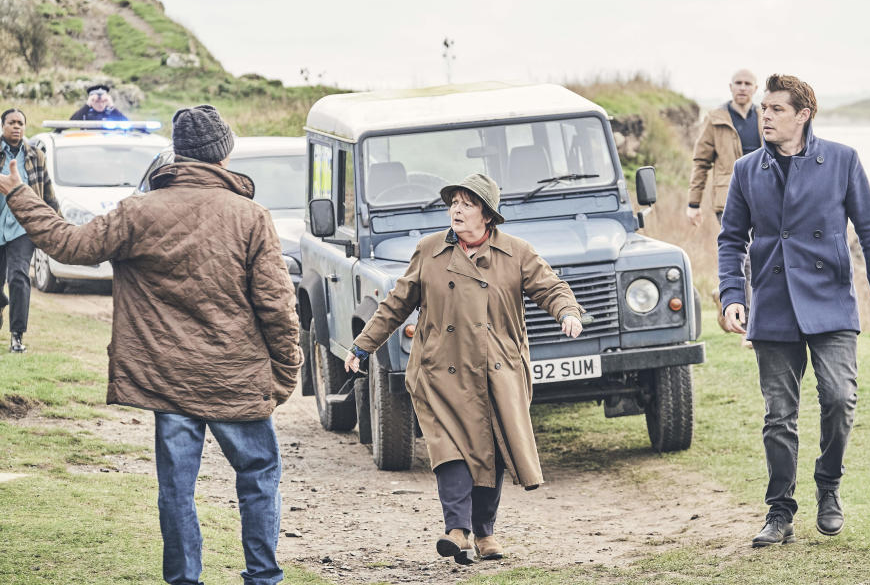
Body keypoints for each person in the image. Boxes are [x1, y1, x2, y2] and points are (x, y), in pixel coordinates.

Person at [0, 104, 302, 585]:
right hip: (235, 378)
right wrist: (286, 373)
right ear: (223, 153)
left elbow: (70, 245)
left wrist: (18, 192)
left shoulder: (137, 212)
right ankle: (263, 577)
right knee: (259, 477)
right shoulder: (251, 217)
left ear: (179, 154)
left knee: (176, 490)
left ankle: (185, 579)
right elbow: (277, 307)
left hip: (167, 379)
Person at [344, 173, 583, 564]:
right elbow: (395, 304)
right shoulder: (430, 250)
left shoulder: (517, 252)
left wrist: (567, 312)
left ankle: (485, 533)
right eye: (453, 202)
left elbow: (552, 287)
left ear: (487, 215)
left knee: (491, 451)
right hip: (438, 371)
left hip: (497, 370)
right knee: (448, 449)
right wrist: (362, 346)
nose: (456, 209)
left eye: (467, 203)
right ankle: (457, 530)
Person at [717, 75, 870, 548]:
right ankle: (779, 511)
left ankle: (829, 485)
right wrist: (733, 296)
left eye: (777, 109)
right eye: (763, 108)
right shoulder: (745, 170)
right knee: (779, 415)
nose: (766, 116)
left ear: (804, 115)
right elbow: (731, 240)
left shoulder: (841, 160)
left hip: (830, 301)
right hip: (774, 304)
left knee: (839, 399)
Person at [687, 69, 761, 344]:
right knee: (749, 258)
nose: (742, 88)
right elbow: (701, 161)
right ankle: (751, 327)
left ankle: (725, 293)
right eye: (738, 83)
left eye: (747, 84)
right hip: (728, 200)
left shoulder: (765, 117)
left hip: (764, 200)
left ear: (755, 88)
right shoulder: (716, 119)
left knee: (760, 257)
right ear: (731, 87)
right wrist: (693, 203)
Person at [0, 108, 59, 353]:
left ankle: (17, 336)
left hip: (21, 230)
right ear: (2, 126)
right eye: (12, 123)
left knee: (19, 277)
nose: (17, 127)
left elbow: (47, 192)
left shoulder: (35, 155)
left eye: (21, 123)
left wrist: (58, 224)